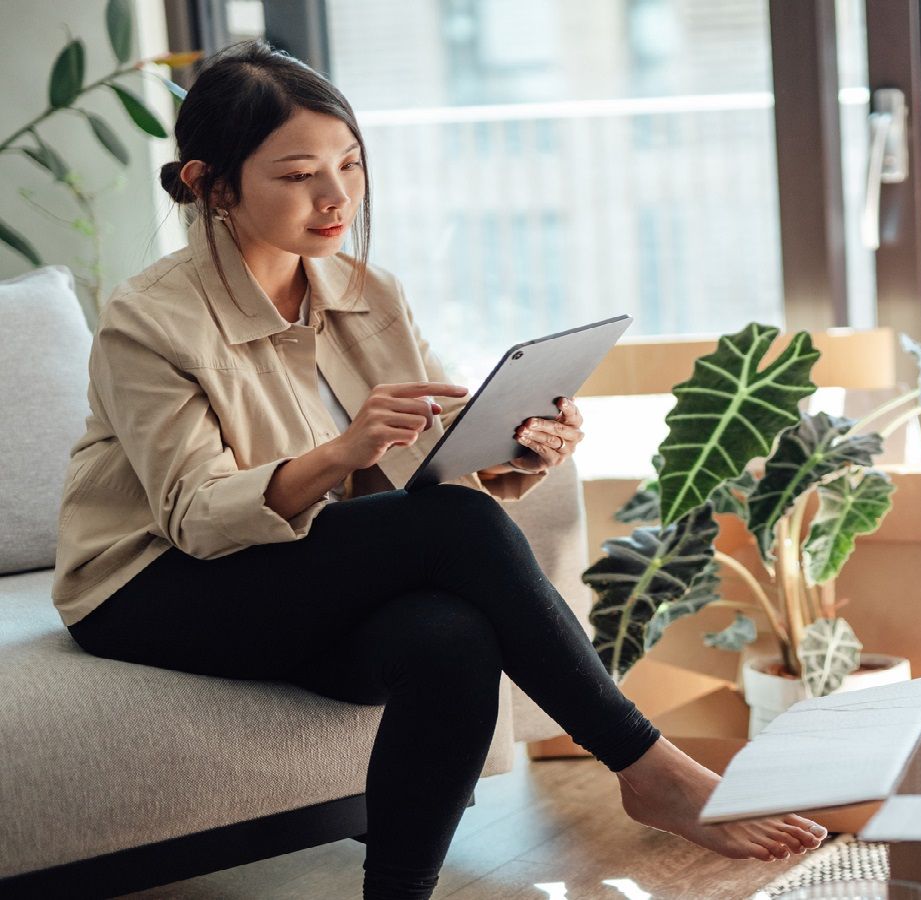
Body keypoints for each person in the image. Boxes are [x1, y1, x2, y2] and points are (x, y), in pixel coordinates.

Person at [52, 39, 825, 900]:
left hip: (296, 569)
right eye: (300, 173)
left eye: (350, 164)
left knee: (447, 638)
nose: (337, 195)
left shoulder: (365, 289)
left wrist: (518, 451)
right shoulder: (147, 321)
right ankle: (649, 766)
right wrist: (341, 453)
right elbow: (194, 515)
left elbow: (428, 473)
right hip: (156, 585)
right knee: (455, 531)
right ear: (211, 184)